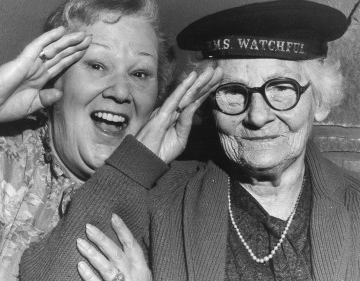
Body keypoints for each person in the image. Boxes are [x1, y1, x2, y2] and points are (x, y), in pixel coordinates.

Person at [20, 0, 360, 281]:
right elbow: (49, 274)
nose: (257, 116)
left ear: (320, 101)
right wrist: (134, 164)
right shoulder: (160, 199)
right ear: (207, 102)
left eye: (281, 89)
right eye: (232, 93)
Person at [0, 0, 221, 280]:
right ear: (52, 79)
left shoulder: (174, 203)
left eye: (140, 74)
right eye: (97, 65)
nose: (121, 92)